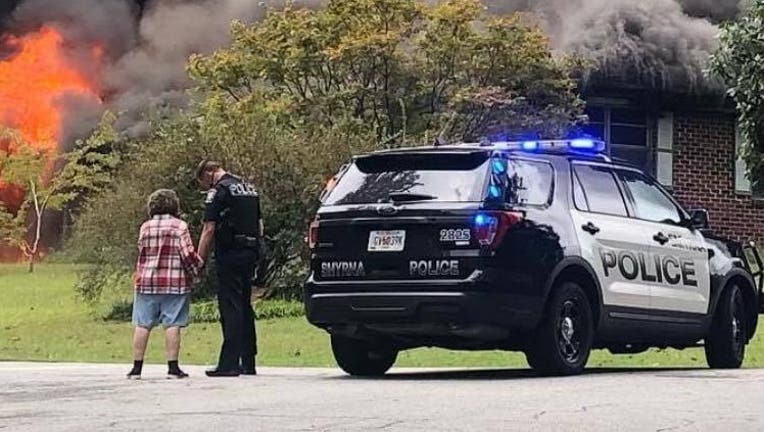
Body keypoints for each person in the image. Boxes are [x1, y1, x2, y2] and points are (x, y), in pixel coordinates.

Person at [127, 189, 203, 380]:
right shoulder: (179, 227)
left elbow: (141, 253)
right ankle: (173, 367)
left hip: (146, 282)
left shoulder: (145, 227)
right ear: (174, 205)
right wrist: (197, 270)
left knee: (143, 324)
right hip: (174, 282)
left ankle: (136, 368)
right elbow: (187, 255)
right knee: (172, 324)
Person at [196, 160, 263, 377]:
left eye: (204, 183)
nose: (206, 187)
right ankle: (249, 360)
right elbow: (260, 223)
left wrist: (200, 259)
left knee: (231, 306)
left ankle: (229, 363)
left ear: (208, 173)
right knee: (245, 304)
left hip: (230, 252)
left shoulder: (219, 191)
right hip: (251, 251)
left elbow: (209, 228)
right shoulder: (249, 188)